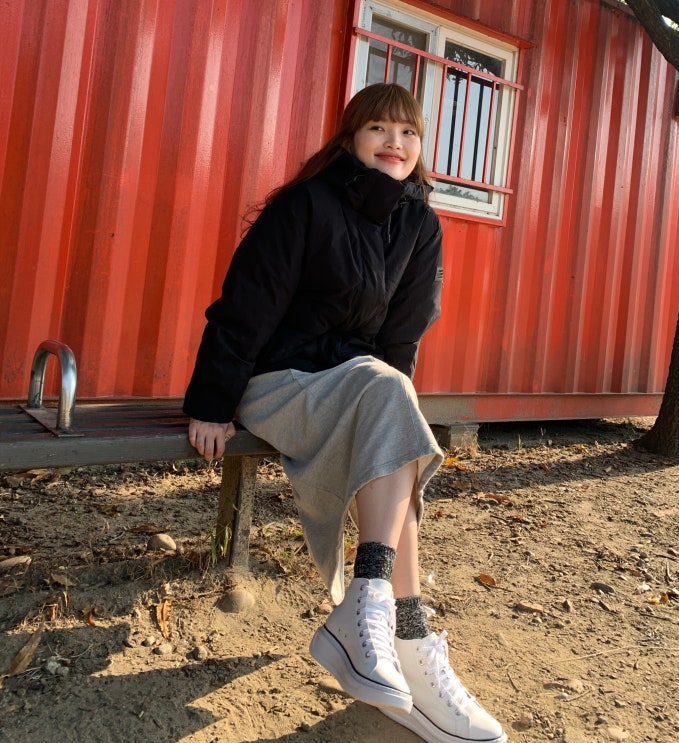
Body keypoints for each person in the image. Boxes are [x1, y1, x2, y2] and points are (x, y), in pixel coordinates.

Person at [183, 83, 507, 743]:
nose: (395, 142)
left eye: (409, 132)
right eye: (379, 128)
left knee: (393, 406)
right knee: (389, 400)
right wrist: (213, 402)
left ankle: (399, 634)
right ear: (351, 138)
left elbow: (401, 340)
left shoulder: (419, 225)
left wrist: (387, 412)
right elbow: (246, 306)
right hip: (278, 380)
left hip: (356, 386)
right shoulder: (306, 204)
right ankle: (391, 625)